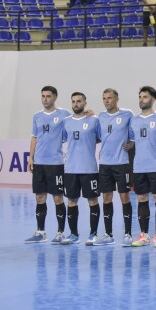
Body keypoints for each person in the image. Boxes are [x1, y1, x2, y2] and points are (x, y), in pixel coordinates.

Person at [25, 86, 71, 244]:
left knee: (58, 198)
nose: (45, 99)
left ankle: (60, 233)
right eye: (43, 96)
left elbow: (76, 121)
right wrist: (31, 158)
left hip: (55, 164)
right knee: (40, 198)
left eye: (48, 96)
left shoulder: (64, 114)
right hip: (39, 163)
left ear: (55, 97)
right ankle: (41, 232)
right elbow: (34, 137)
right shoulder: (37, 116)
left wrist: (88, 113)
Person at [129, 86, 156, 247]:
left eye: (145, 97)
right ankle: (144, 235)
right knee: (141, 199)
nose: (141, 99)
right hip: (139, 167)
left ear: (152, 99)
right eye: (140, 96)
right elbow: (130, 140)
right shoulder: (134, 120)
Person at [60, 92, 102, 245]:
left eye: (79, 101)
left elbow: (99, 137)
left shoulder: (94, 120)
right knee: (71, 201)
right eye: (73, 101)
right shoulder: (66, 122)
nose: (76, 104)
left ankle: (93, 234)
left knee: (93, 201)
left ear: (85, 103)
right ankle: (73, 234)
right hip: (71, 169)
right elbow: (64, 138)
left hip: (89, 169)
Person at [94, 88, 134, 246]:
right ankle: (108, 234)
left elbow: (133, 134)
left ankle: (128, 233)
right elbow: (96, 137)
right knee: (106, 198)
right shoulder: (100, 117)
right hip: (104, 164)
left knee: (124, 197)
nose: (106, 101)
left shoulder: (127, 114)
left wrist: (131, 143)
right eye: (104, 98)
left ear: (117, 99)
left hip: (121, 163)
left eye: (109, 98)